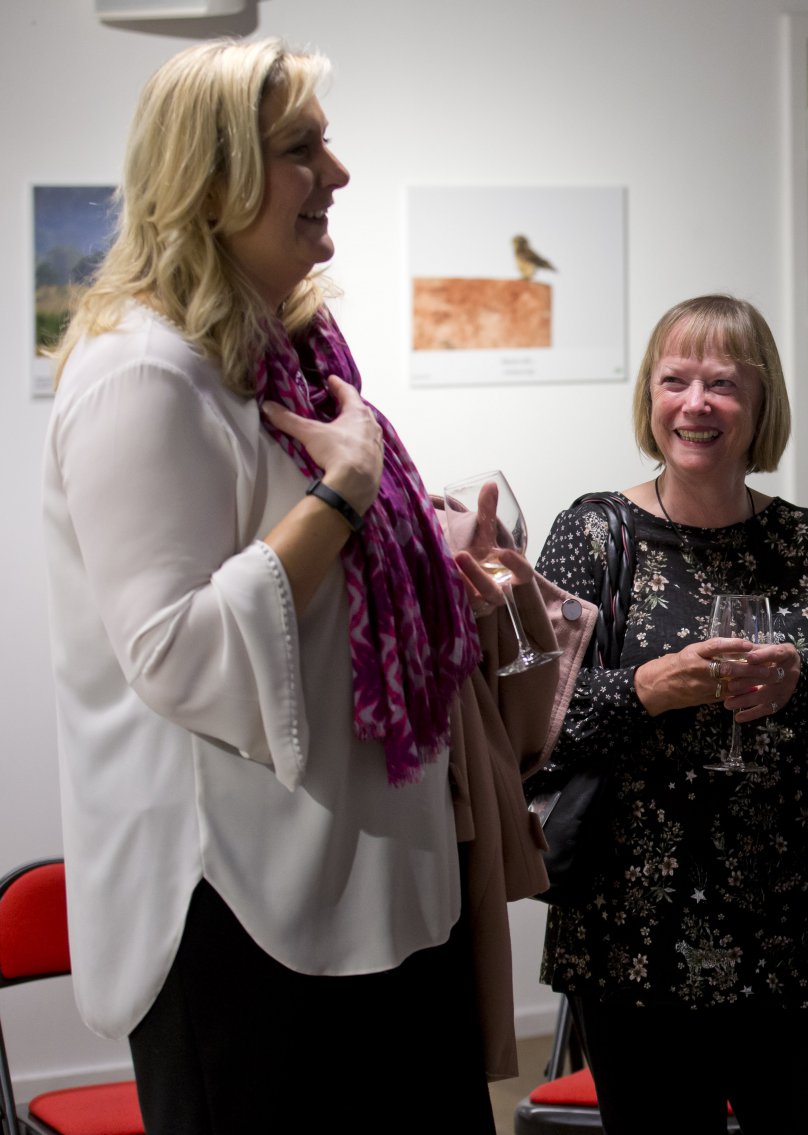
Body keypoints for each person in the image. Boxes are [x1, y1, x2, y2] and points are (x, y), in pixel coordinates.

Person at [42, 39, 517, 1133]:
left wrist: (431, 556)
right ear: (211, 182)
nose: (336, 174)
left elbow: (320, 584)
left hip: (369, 874)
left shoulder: (288, 348)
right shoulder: (142, 373)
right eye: (302, 149)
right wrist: (344, 495)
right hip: (242, 909)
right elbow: (175, 653)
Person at [531, 294, 808, 1135]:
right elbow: (528, 729)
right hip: (633, 948)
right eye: (675, 380)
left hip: (790, 944)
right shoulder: (593, 537)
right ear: (649, 395)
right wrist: (646, 689)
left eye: (723, 384)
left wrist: (799, 690)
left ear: (761, 403)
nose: (695, 404)